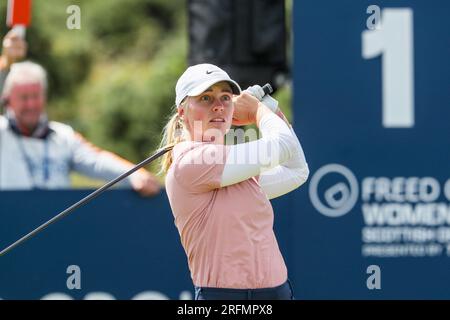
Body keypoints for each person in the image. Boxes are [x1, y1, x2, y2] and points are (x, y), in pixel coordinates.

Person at [161, 63, 309, 300]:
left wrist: (270, 108)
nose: (218, 107)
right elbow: (283, 147)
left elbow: (297, 170)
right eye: (206, 98)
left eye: (226, 98)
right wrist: (258, 112)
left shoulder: (234, 168)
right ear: (182, 112)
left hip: (277, 293)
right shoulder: (190, 161)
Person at [0, 30, 161, 195]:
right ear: (7, 100)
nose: (31, 104)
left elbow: (97, 161)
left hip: (58, 220)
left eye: (35, 96)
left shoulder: (63, 136)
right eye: (24, 97)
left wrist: (134, 174)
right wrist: (6, 61)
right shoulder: (2, 132)